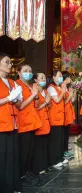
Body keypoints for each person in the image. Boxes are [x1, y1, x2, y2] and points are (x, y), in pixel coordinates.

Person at [16, 64, 42, 186]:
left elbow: (36, 105)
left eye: (30, 71)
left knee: (30, 151)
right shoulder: (17, 85)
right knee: (24, 152)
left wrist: (35, 94)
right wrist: (33, 95)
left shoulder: (30, 85)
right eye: (25, 70)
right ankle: (22, 176)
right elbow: (20, 106)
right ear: (19, 72)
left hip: (32, 122)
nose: (28, 73)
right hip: (23, 123)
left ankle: (28, 172)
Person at [0, 53, 22, 193]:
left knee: (13, 157)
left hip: (13, 123)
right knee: (3, 158)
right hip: (1, 124)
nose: (10, 65)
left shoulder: (12, 82)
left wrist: (15, 99)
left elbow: (19, 105)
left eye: (10, 62)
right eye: (6, 62)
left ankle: (13, 186)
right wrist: (9, 98)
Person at [47, 70, 68, 169]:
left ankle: (60, 157)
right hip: (54, 117)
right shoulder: (51, 88)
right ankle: (54, 160)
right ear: (54, 77)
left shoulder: (59, 87)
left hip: (61, 117)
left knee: (60, 139)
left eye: (61, 76)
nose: (61, 78)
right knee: (55, 141)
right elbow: (56, 100)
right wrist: (63, 92)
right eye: (59, 76)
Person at [32, 73, 51, 175]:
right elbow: (37, 107)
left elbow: (50, 105)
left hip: (47, 120)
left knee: (45, 144)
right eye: (41, 78)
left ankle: (45, 165)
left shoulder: (45, 91)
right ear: (35, 80)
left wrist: (48, 101)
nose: (44, 79)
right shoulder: (34, 91)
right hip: (39, 121)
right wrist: (46, 102)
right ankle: (39, 167)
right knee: (39, 146)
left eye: (45, 77)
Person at [62, 71, 76, 159]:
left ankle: (65, 149)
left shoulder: (67, 88)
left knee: (66, 133)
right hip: (64, 113)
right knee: (63, 133)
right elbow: (63, 102)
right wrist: (70, 95)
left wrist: (73, 92)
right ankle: (64, 150)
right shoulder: (62, 88)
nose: (70, 80)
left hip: (68, 113)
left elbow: (72, 100)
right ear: (66, 78)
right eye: (69, 78)